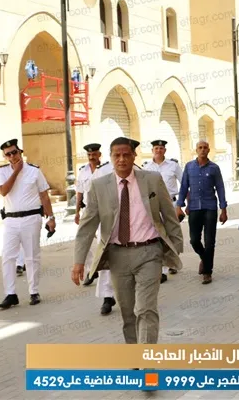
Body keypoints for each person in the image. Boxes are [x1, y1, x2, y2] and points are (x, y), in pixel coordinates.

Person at [71, 137, 183, 344]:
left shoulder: (152, 179)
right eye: (117, 155)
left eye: (126, 155)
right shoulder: (99, 186)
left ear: (134, 156)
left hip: (149, 252)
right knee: (128, 313)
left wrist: (176, 247)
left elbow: (169, 215)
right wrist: (79, 261)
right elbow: (87, 226)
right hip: (117, 256)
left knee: (146, 309)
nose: (121, 159)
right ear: (111, 157)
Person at [0, 139, 56, 309]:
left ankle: (34, 291)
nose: (12, 156)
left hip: (31, 218)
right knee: (8, 256)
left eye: (14, 152)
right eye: (8, 154)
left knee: (32, 256)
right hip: (11, 220)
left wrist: (51, 217)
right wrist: (15, 172)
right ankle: (10, 294)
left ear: (20, 152)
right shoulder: (2, 172)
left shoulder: (34, 171)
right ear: (5, 157)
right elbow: (3, 191)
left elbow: (44, 196)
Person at [176, 140, 228, 285]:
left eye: (205, 147)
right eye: (200, 147)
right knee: (194, 240)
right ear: (196, 150)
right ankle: (205, 259)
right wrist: (179, 206)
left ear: (209, 150)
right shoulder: (189, 167)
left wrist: (223, 209)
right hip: (194, 208)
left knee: (210, 241)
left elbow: (220, 188)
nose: (203, 150)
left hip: (210, 207)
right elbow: (184, 186)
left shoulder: (214, 168)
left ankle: (207, 272)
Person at [75, 143, 117, 315]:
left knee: (110, 250)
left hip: (110, 213)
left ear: (100, 154)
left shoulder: (108, 169)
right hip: (92, 212)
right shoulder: (83, 171)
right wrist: (77, 211)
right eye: (89, 154)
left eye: (94, 154)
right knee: (100, 249)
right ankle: (105, 292)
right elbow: (79, 192)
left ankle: (112, 294)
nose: (92, 156)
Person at [142, 139, 183, 283]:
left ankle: (171, 261)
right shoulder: (146, 167)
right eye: (156, 148)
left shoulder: (173, 165)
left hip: (170, 204)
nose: (158, 151)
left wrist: (182, 205)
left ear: (165, 150)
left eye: (161, 148)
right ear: (152, 151)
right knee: (158, 236)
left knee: (171, 234)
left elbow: (184, 183)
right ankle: (162, 270)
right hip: (153, 204)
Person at [0, 187, 26, 276]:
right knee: (13, 241)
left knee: (23, 239)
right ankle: (20, 263)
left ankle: (20, 264)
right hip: (10, 215)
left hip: (25, 213)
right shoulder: (6, 179)